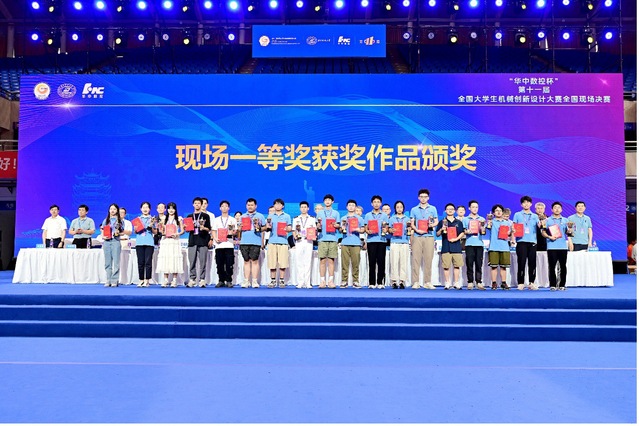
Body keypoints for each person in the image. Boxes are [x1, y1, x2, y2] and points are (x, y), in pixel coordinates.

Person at [409, 189, 438, 290]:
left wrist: (431, 225)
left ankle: (427, 282)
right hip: (417, 236)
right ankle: (415, 282)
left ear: (428, 198)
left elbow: (436, 221)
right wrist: (417, 230)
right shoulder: (414, 209)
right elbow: (412, 223)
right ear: (418, 198)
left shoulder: (433, 209)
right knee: (416, 259)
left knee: (428, 259)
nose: (423, 199)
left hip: (429, 236)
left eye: (425, 197)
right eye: (421, 197)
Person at [512, 195, 541, 291]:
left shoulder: (535, 216)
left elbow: (539, 227)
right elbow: (514, 227)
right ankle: (520, 283)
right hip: (521, 241)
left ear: (531, 204)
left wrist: (541, 225)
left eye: (528, 202)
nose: (526, 204)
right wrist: (513, 236)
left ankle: (531, 282)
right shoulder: (517, 215)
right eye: (524, 202)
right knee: (521, 262)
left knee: (532, 263)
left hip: (532, 242)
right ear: (521, 204)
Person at [542, 202, 571, 291]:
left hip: (563, 247)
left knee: (563, 266)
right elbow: (543, 232)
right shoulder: (547, 220)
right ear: (552, 209)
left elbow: (569, 234)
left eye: (559, 207)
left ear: (561, 209)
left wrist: (570, 230)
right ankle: (553, 285)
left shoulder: (566, 220)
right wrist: (549, 237)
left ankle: (562, 285)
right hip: (551, 246)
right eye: (555, 207)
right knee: (552, 266)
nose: (557, 209)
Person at [436, 203, 465, 290]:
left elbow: (462, 233)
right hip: (446, 246)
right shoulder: (442, 222)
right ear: (445, 211)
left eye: (452, 209)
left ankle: (456, 282)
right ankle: (447, 282)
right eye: (448, 209)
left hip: (456, 246)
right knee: (446, 266)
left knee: (457, 266)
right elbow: (437, 234)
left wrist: (456, 239)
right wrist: (442, 229)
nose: (450, 210)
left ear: (454, 211)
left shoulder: (458, 222)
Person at [184, 197, 212, 288]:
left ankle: (202, 279)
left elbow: (209, 229)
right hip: (192, 241)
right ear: (193, 204)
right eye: (195, 203)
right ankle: (192, 279)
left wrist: (203, 228)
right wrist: (186, 227)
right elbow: (187, 230)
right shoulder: (189, 216)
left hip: (203, 240)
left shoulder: (206, 216)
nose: (197, 205)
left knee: (203, 262)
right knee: (192, 261)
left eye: (199, 203)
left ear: (201, 204)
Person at [155, 202, 184, 287]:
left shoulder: (179, 219)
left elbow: (182, 231)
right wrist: (162, 230)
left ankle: (174, 280)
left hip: (175, 241)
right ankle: (165, 280)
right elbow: (161, 231)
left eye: (173, 208)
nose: (171, 210)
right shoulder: (164, 218)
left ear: (175, 209)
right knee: (166, 259)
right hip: (166, 241)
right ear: (167, 210)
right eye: (169, 208)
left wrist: (177, 234)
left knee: (174, 259)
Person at [239, 198, 266, 288]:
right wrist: (239, 228)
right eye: (248, 205)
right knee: (246, 261)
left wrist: (259, 227)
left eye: (252, 205)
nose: (250, 207)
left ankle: (254, 281)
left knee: (254, 261)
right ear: (246, 206)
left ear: (255, 206)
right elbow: (239, 230)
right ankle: (246, 281)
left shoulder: (260, 216)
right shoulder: (242, 217)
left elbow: (265, 227)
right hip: (244, 241)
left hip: (255, 241)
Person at [266, 198, 292, 288]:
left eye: (279, 204)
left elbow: (290, 228)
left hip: (283, 241)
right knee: (272, 262)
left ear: (283, 206)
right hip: (272, 241)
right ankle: (273, 280)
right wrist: (268, 227)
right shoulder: (270, 216)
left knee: (283, 262)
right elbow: (267, 228)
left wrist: (286, 229)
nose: (277, 206)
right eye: (276, 204)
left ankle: (281, 280)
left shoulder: (287, 216)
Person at [365, 195, 390, 289]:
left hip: (382, 241)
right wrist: (368, 231)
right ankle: (371, 282)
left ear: (381, 204)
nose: (376, 204)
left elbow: (387, 227)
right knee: (371, 262)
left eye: (378, 202)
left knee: (381, 262)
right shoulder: (368, 215)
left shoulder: (384, 215)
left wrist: (385, 230)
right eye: (374, 202)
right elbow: (366, 228)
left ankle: (380, 282)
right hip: (371, 240)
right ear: (372, 204)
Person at [317, 194, 340, 289]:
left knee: (331, 261)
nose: (327, 201)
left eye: (329, 200)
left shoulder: (336, 213)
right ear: (324, 202)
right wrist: (318, 226)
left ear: (332, 202)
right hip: (322, 239)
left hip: (333, 238)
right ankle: (322, 281)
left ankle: (330, 281)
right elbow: (317, 226)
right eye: (326, 200)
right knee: (322, 261)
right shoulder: (320, 213)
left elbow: (338, 225)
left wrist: (336, 225)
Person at [486, 204, 512, 290]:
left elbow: (510, 234)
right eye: (496, 211)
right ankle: (494, 283)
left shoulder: (507, 222)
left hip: (504, 247)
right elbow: (487, 228)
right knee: (493, 266)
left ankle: (503, 282)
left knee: (503, 266)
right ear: (493, 213)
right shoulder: (491, 222)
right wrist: (488, 221)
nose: (498, 212)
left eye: (500, 210)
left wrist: (510, 232)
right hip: (494, 247)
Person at [340, 199, 365, 289]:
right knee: (344, 264)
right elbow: (340, 230)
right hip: (345, 242)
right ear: (347, 207)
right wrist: (342, 227)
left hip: (356, 243)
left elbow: (363, 230)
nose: (351, 207)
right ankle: (344, 281)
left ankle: (355, 281)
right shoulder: (343, 218)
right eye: (349, 205)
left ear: (355, 207)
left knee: (356, 263)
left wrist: (358, 229)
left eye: (353, 205)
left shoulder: (359, 218)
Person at [212, 200, 237, 288]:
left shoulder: (233, 220)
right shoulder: (216, 220)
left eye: (226, 206)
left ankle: (229, 280)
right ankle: (221, 280)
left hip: (229, 244)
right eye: (222, 206)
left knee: (229, 263)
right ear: (220, 208)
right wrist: (215, 238)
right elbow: (213, 231)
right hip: (219, 245)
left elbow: (235, 232)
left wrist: (232, 232)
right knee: (219, 263)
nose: (224, 208)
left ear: (229, 208)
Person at [292, 201, 317, 289]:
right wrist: (295, 237)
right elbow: (294, 230)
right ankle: (300, 282)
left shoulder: (312, 219)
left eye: (305, 207)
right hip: (299, 241)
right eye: (302, 207)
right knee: (299, 261)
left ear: (308, 208)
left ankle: (307, 282)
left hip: (308, 241)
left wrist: (312, 236)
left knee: (307, 261)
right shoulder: (296, 219)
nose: (303, 209)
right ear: (300, 208)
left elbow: (314, 230)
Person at [462, 200, 486, 290]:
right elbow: (463, 231)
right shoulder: (465, 219)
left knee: (479, 264)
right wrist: (467, 231)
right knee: (469, 264)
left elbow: (483, 232)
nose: (475, 209)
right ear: (469, 208)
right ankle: (470, 282)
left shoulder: (482, 219)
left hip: (479, 244)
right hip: (469, 244)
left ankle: (479, 282)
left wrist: (482, 228)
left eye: (476, 207)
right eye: (473, 207)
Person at [388, 200, 410, 289]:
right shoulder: (392, 219)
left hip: (404, 242)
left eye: (401, 207)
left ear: (403, 208)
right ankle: (394, 281)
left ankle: (402, 281)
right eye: (397, 207)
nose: (399, 209)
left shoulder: (407, 219)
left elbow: (410, 231)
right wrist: (391, 230)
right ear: (395, 208)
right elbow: (388, 229)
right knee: (394, 262)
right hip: (394, 242)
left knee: (403, 262)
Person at [100, 203, 123, 287]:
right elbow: (102, 230)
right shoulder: (106, 220)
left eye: (114, 209)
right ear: (109, 210)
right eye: (111, 209)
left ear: (117, 211)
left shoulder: (120, 221)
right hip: (107, 242)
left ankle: (114, 280)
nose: (112, 210)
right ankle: (108, 279)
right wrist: (103, 236)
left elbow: (122, 232)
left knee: (116, 262)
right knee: (107, 262)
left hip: (115, 241)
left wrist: (118, 233)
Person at [134, 201, 155, 288]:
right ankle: (141, 279)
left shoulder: (153, 219)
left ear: (149, 209)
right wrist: (137, 228)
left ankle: (147, 280)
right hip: (139, 242)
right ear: (141, 209)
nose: (145, 209)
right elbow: (135, 231)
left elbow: (155, 232)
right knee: (140, 262)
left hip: (149, 242)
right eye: (143, 207)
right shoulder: (138, 219)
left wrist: (151, 225)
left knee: (148, 262)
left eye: (147, 207)